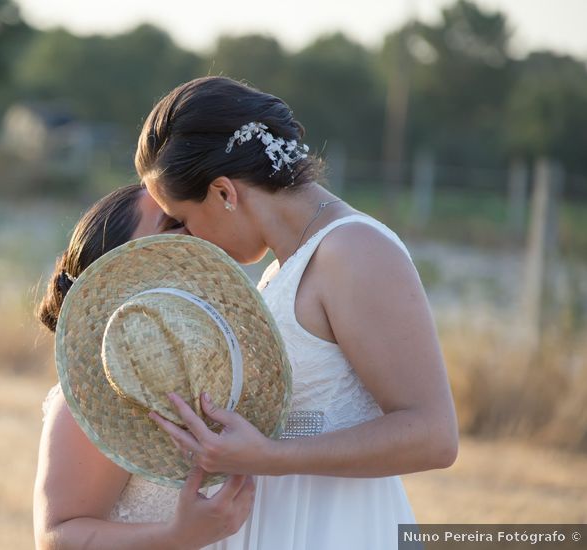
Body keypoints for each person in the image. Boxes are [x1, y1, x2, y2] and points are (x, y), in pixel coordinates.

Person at [135, 76, 459, 549]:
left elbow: (434, 435)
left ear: (225, 192)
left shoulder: (354, 251)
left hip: (334, 528)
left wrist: (270, 456)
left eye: (183, 219)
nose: (187, 237)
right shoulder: (281, 269)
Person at [33, 185, 258, 550]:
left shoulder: (219, 371)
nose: (195, 229)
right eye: (173, 222)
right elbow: (57, 537)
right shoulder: (95, 394)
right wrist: (176, 538)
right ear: (117, 267)